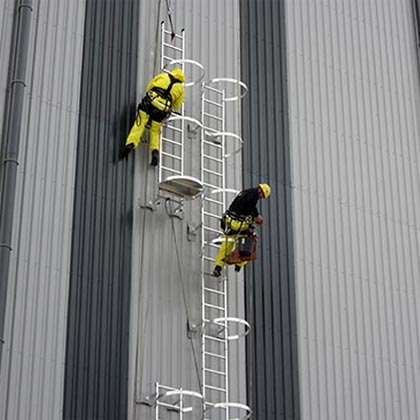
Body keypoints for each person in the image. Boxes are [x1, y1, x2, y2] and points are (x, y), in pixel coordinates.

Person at [123, 67, 185, 165]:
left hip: (150, 102)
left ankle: (131, 143)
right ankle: (154, 151)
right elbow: (177, 105)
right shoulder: (180, 88)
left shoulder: (164, 76)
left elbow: (150, 86)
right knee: (155, 131)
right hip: (161, 109)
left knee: (140, 123)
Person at [212, 183, 271, 277]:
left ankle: (218, 267)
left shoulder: (245, 192)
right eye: (262, 196)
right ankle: (238, 264)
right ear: (261, 191)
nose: (260, 198)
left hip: (230, 223)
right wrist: (256, 216)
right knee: (247, 246)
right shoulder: (253, 195)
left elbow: (245, 207)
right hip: (239, 225)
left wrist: (254, 215)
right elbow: (250, 205)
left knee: (226, 246)